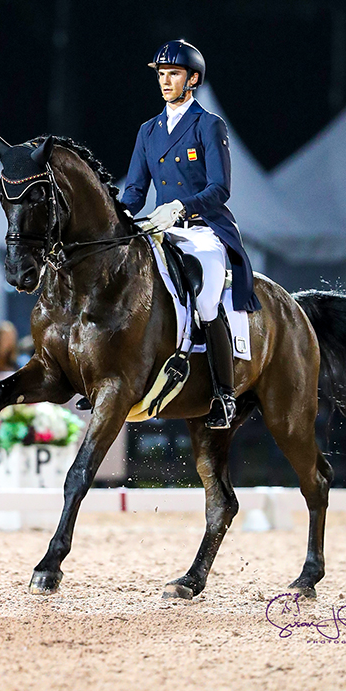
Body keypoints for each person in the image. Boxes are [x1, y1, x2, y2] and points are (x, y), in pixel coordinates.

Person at [120, 40, 260, 429]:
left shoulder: (208, 125)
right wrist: (117, 216)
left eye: (174, 74)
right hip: (160, 229)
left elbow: (220, 189)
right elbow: (134, 191)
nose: (165, 81)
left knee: (206, 301)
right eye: (162, 75)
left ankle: (224, 394)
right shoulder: (148, 131)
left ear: (192, 79)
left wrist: (181, 207)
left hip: (202, 231)